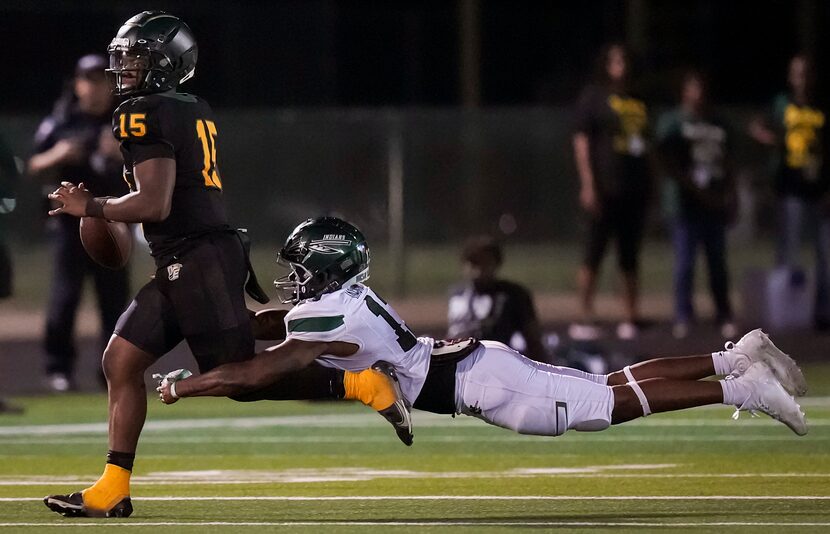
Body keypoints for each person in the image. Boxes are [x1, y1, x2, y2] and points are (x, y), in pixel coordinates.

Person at [42, 12, 408, 519]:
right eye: (121, 54)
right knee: (119, 362)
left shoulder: (143, 112)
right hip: (186, 255)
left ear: (166, 63)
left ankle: (358, 382)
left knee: (236, 378)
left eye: (137, 54)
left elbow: (154, 205)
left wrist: (94, 207)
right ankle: (113, 488)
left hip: (198, 258)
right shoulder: (189, 105)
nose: (123, 64)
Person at [156, 217, 808, 452]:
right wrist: (210, 282)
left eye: (299, 270)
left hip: (486, 385)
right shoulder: (341, 302)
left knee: (607, 404)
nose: (291, 282)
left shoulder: (337, 314)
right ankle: (732, 358)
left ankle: (739, 387)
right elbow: (263, 319)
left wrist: (192, 386)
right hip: (476, 370)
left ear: (325, 271)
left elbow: (260, 369)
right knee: (609, 387)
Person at [27, 54, 131, 392]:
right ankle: (59, 369)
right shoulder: (62, 121)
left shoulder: (125, 121)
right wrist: (59, 154)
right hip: (68, 227)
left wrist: (123, 153)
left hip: (113, 222)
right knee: (65, 297)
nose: (96, 87)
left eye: (102, 80)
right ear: (77, 84)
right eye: (89, 80)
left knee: (115, 301)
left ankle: (112, 369)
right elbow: (34, 164)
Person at [570, 43, 652, 341]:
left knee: (629, 256)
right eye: (616, 60)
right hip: (604, 189)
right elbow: (582, 142)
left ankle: (631, 316)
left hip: (633, 189)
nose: (621, 66)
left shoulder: (640, 100)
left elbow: (647, 146)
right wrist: (589, 184)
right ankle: (584, 315)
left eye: (625, 60)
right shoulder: (594, 98)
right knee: (593, 252)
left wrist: (650, 184)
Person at [749, 54, 829, 331]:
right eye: (797, 73)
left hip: (819, 189)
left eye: (807, 73)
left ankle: (822, 313)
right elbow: (756, 126)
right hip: (790, 187)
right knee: (789, 251)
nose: (802, 79)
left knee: (825, 254)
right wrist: (773, 141)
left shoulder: (821, 105)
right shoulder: (781, 104)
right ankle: (785, 313)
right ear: (790, 77)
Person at [657, 71, 737, 339]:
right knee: (685, 263)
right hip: (685, 204)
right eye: (693, 88)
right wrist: (693, 188)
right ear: (684, 91)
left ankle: (723, 313)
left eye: (702, 88)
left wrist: (730, 196)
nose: (698, 94)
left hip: (713, 202)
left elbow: (729, 163)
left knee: (717, 262)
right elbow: (666, 160)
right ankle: (683, 316)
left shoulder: (718, 123)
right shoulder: (673, 122)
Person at [447, 235, 547, 362]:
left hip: (494, 364)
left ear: (496, 263)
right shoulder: (457, 294)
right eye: (473, 263)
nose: (478, 270)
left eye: (485, 263)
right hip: (458, 364)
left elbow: (533, 341)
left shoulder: (512, 295)